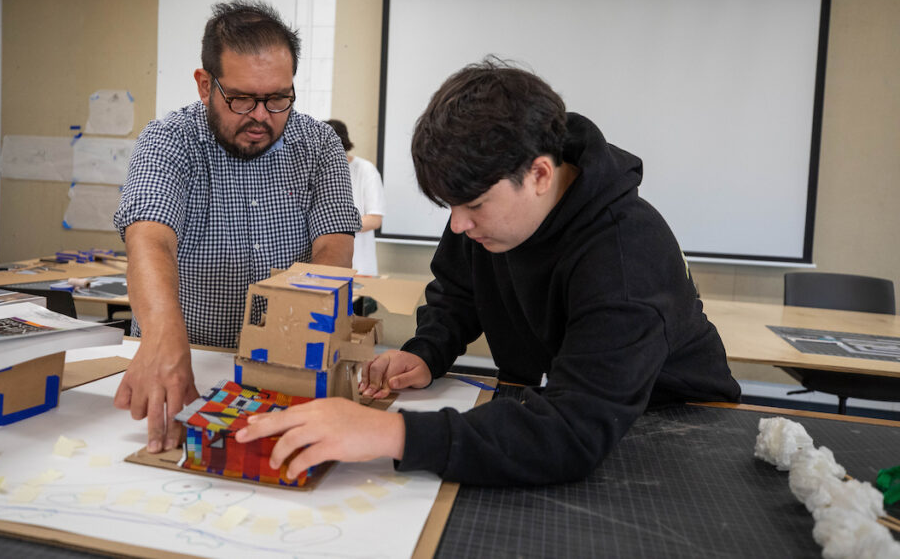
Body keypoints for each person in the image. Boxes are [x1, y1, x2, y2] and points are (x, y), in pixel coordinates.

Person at [235, 59, 741, 486]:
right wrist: (427, 352)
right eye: (451, 206)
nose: (458, 224)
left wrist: (391, 434)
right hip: (560, 405)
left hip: (679, 433)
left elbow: (574, 431)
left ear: (540, 174)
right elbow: (458, 292)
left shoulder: (627, 254)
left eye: (473, 205)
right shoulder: (491, 210)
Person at [113, 0, 361, 454]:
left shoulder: (319, 144)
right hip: (186, 355)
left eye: (278, 98)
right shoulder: (169, 139)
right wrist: (165, 342)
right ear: (205, 84)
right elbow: (149, 239)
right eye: (243, 99)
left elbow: (334, 250)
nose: (262, 117)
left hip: (285, 362)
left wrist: (298, 353)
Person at [325, 119, 386, 276]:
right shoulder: (315, 171)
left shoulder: (366, 170)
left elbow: (375, 219)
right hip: (324, 265)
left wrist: (335, 227)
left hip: (360, 266)